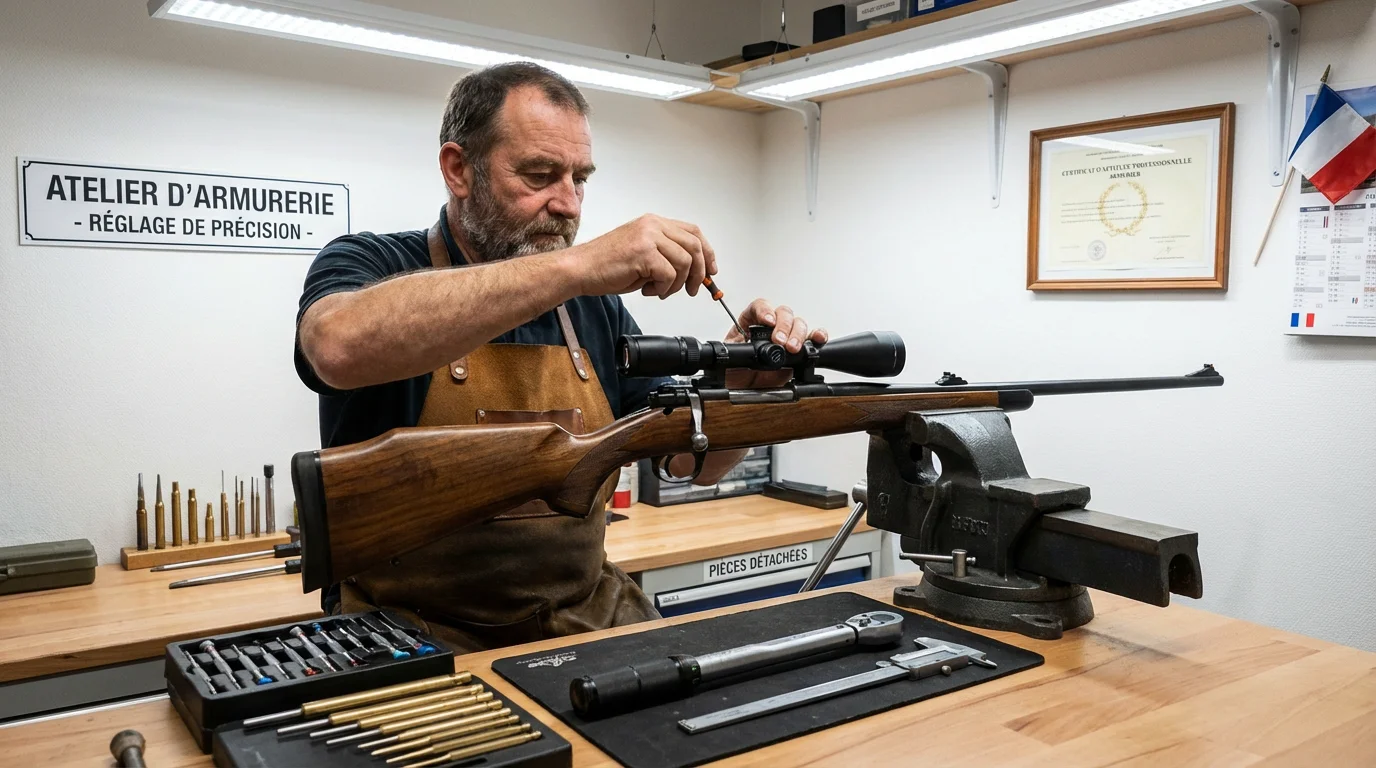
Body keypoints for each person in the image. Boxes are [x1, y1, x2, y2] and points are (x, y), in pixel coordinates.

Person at [294, 62, 826, 653]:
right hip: (413, 640)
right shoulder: (371, 266)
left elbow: (687, 461)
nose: (568, 204)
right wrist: (578, 267)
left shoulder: (593, 313)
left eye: (580, 179)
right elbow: (336, 346)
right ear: (458, 169)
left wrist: (741, 392)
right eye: (541, 175)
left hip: (584, 625)